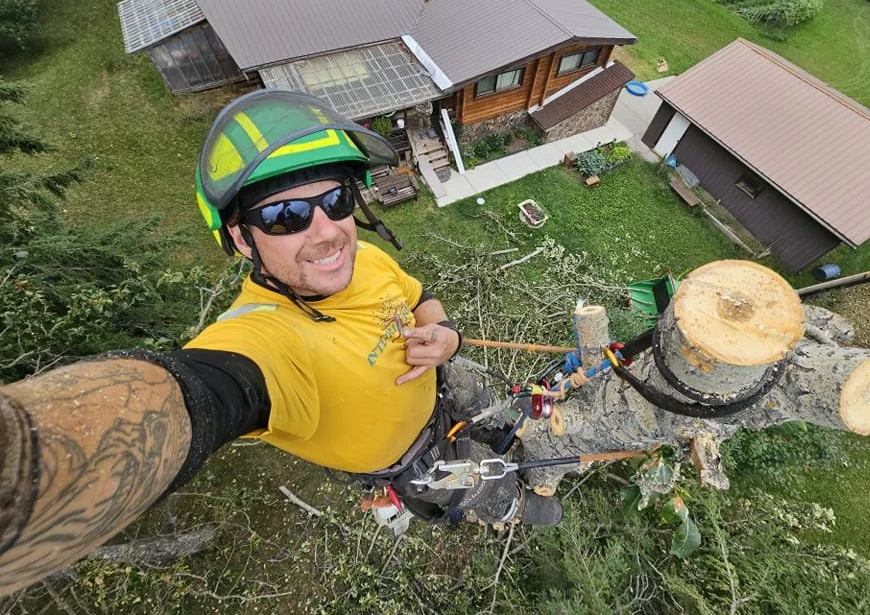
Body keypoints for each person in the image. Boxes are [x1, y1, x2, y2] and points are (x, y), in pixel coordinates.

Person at [0, 90, 560, 597]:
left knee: (506, 415)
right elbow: (197, 394)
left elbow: (420, 297)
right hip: (419, 466)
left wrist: (447, 336)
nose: (326, 232)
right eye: (285, 215)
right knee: (483, 486)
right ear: (242, 238)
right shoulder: (264, 338)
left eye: (336, 201)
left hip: (446, 381)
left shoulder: (366, 259)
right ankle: (519, 502)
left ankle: (519, 437)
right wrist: (23, 461)